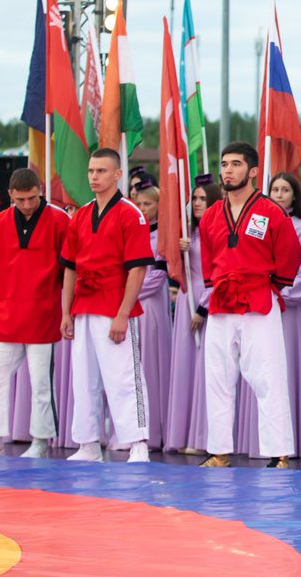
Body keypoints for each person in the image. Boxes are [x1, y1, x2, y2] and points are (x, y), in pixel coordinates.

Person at [197, 143, 301, 468]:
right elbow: (208, 259)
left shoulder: (271, 212)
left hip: (259, 298)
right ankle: (219, 451)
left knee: (268, 376)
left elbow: (290, 255)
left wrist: (273, 286)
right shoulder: (212, 215)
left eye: (236, 164)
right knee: (216, 377)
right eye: (224, 164)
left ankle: (278, 453)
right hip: (222, 301)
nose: (227, 170)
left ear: (254, 171)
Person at [60, 148, 155, 463]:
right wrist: (66, 312)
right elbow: (70, 267)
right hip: (84, 304)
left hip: (115, 305)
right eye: (91, 171)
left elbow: (137, 269)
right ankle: (87, 443)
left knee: (125, 376)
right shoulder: (82, 215)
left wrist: (122, 314)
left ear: (117, 174)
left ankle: (138, 441)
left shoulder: (131, 213)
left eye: (101, 171)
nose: (94, 177)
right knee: (83, 378)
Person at [0, 168, 69, 458]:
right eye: (20, 200)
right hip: (7, 316)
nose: (27, 204)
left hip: (43, 315)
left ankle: (40, 442)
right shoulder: (0, 221)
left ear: (41, 189)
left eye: (32, 198)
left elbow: (69, 269)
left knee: (41, 384)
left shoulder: (60, 219)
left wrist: (65, 311)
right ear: (10, 196)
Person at [165, 176, 222, 454]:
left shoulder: (216, 229)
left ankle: (203, 438)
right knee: (185, 367)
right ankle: (180, 433)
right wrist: (177, 250)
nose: (198, 203)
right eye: (195, 198)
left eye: (202, 198)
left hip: (207, 300)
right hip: (186, 294)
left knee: (204, 369)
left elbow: (220, 270)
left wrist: (203, 307)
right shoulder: (188, 231)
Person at [269, 170, 301, 462]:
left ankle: (292, 440)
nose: (278, 194)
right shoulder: (259, 223)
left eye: (284, 189)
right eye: (274, 189)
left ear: (294, 195)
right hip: (264, 305)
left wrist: (282, 292)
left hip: (287, 305)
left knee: (288, 368)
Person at [132, 180, 172, 450]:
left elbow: (157, 276)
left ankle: (154, 430)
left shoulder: (162, 237)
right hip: (130, 306)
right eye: (139, 204)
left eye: (148, 203)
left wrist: (129, 292)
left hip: (150, 306)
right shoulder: (132, 232)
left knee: (151, 365)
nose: (143, 208)